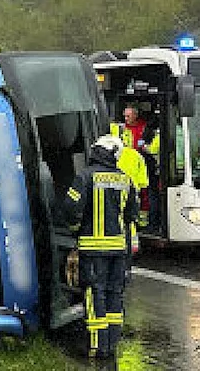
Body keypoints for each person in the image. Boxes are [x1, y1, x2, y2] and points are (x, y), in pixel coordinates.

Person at [63, 135, 140, 362]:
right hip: (118, 249)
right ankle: (112, 344)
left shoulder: (85, 177)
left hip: (93, 250)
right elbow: (132, 216)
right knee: (115, 294)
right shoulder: (126, 180)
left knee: (94, 294)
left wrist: (76, 229)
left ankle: (98, 348)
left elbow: (70, 207)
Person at [110, 106, 153, 228]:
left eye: (128, 116)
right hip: (126, 164)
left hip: (141, 160)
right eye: (124, 116)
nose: (126, 118)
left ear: (135, 115)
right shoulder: (121, 129)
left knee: (143, 195)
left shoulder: (144, 127)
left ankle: (142, 222)